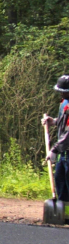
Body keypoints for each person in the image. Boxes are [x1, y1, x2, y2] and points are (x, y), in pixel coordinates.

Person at [42, 75, 69, 203]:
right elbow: (65, 123)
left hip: (66, 149)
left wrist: (54, 150)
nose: (61, 94)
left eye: (63, 91)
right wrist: (53, 121)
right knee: (60, 181)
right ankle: (64, 214)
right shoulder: (64, 103)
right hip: (63, 152)